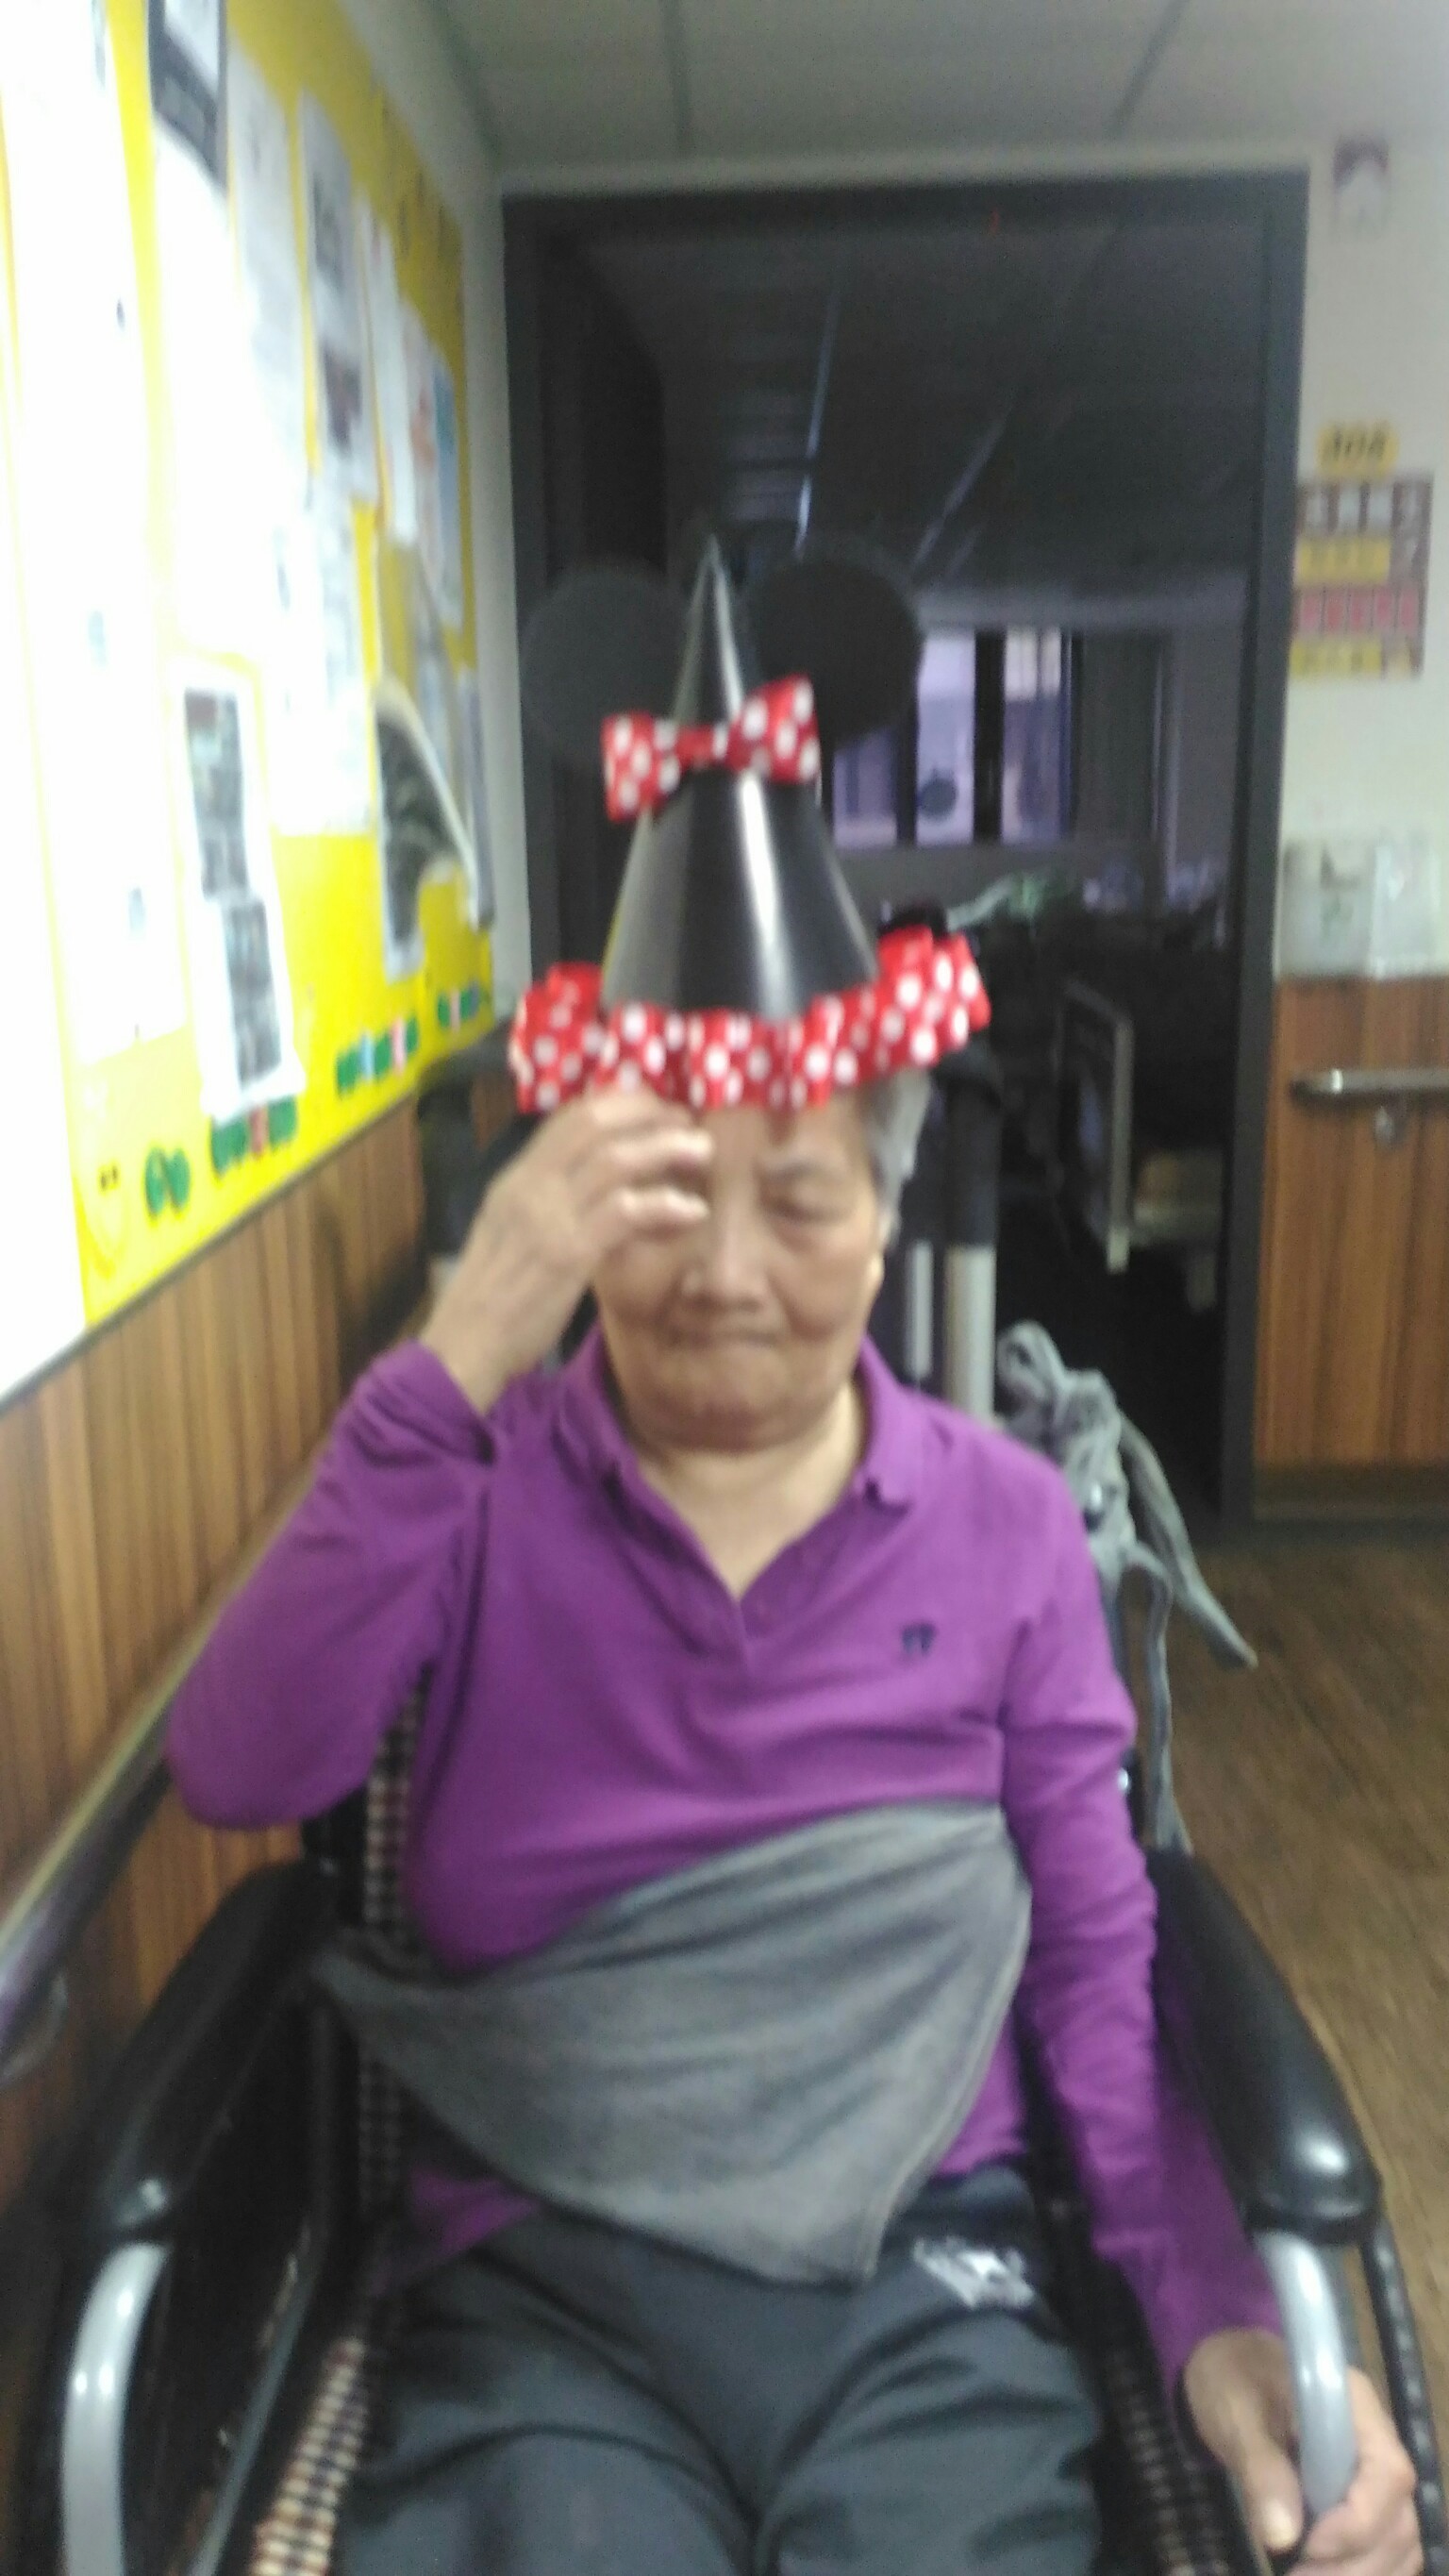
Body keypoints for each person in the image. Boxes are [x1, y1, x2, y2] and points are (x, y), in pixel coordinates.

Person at [169, 548, 1419, 2576]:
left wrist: (1209, 2312)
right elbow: (240, 1764)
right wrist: (460, 1344)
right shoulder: (464, 1490)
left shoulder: (1008, 1527)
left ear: (889, 1205)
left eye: (802, 1198)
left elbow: (1095, 1969)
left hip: (929, 2278)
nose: (728, 1274)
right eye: (662, 1194)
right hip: (543, 2293)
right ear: (574, 1200)